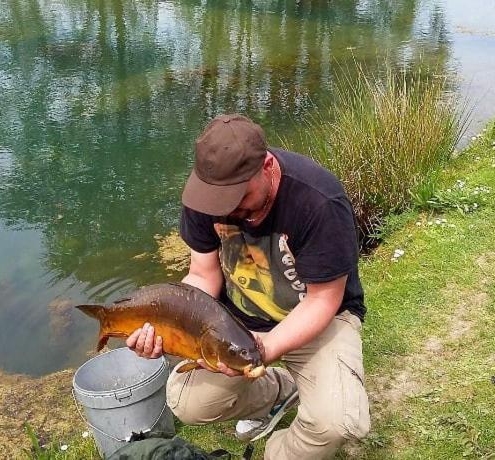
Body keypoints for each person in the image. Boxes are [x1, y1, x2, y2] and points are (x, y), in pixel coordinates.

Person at [126, 114, 370, 459]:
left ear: (267, 166)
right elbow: (202, 275)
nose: (228, 210)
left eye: (238, 197)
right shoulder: (205, 198)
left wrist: (268, 347)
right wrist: (164, 326)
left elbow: (322, 301)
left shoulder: (319, 201)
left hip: (317, 318)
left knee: (338, 423)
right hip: (235, 326)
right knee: (187, 400)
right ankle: (281, 391)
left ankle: (279, 451)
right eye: (219, 200)